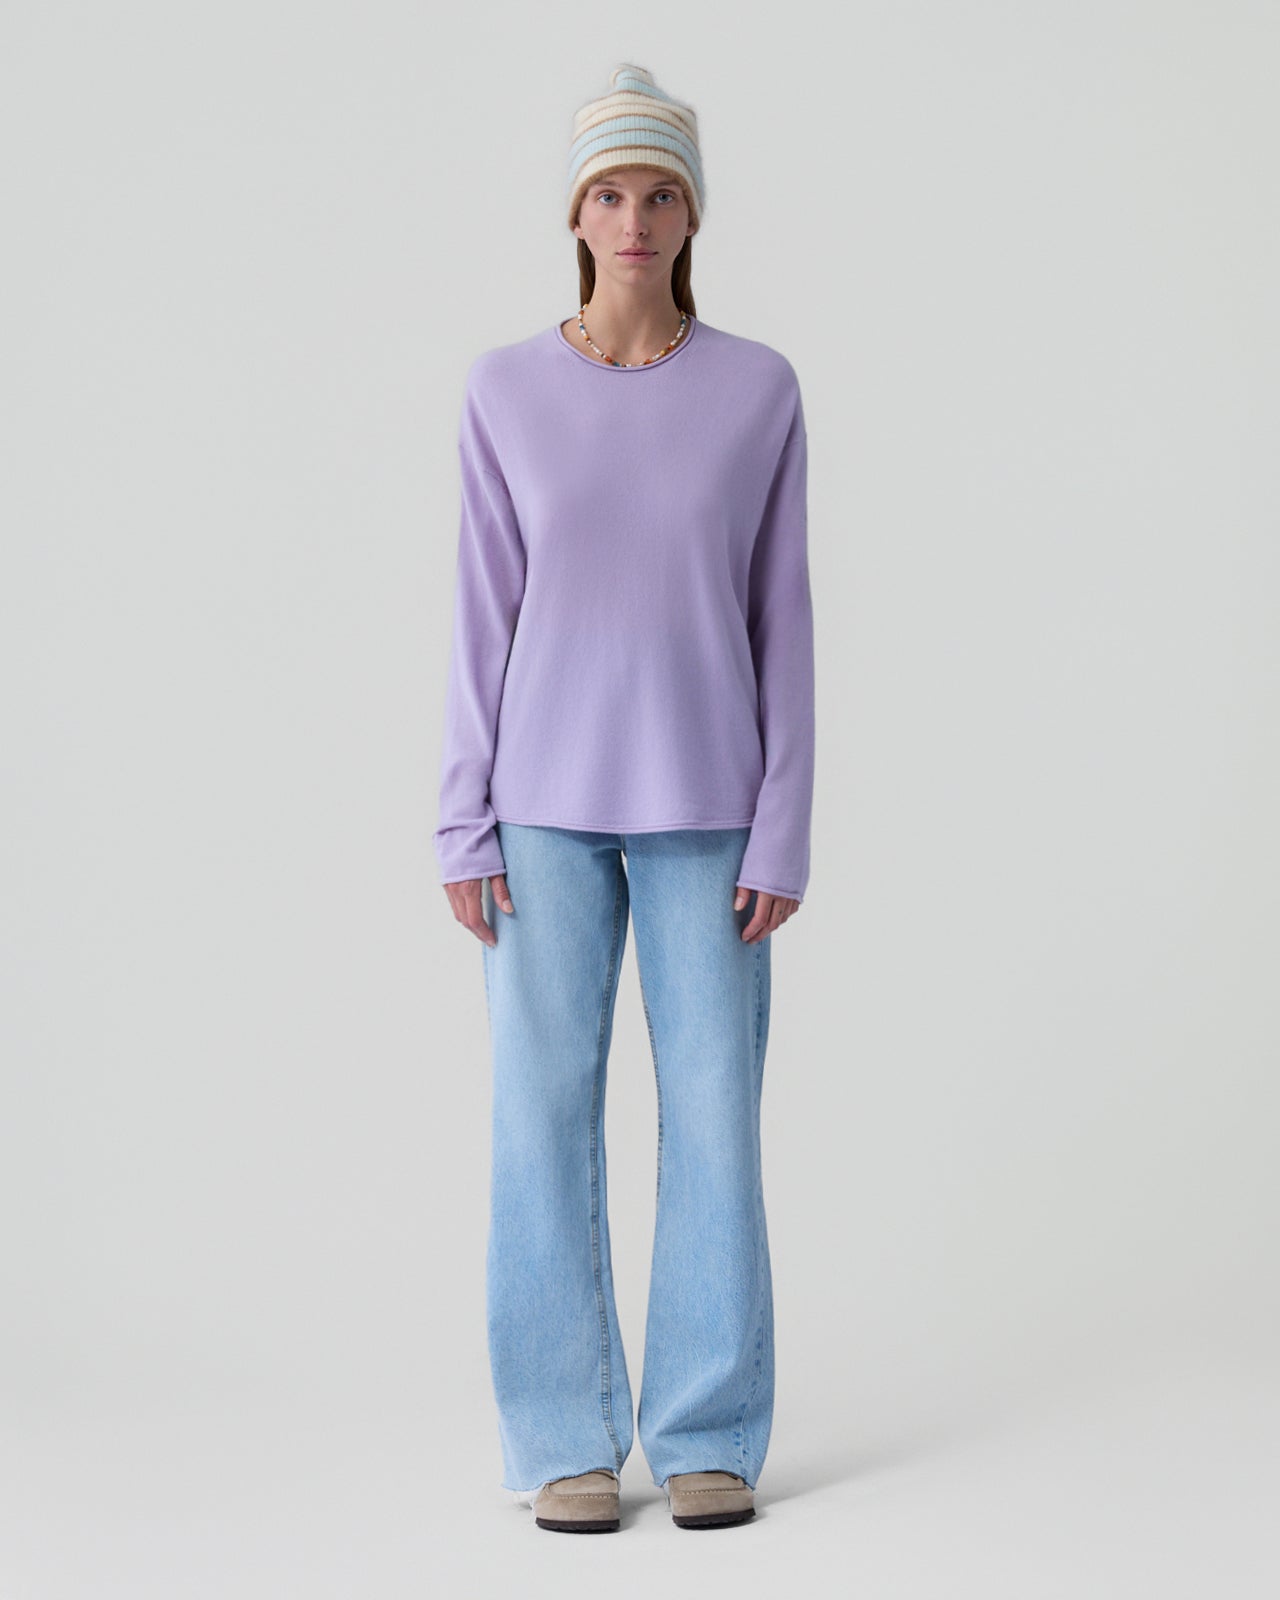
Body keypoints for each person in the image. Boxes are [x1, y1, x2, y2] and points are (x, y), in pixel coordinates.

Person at [431, 63, 815, 1533]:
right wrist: (461, 817)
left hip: (712, 806)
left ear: (693, 213)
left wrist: (785, 821)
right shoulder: (504, 391)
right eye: (609, 193)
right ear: (576, 216)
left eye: (660, 193)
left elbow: (785, 619)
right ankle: (563, 1437)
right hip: (537, 808)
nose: (635, 218)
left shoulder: (759, 390)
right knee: (539, 1121)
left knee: (714, 1120)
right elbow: (479, 617)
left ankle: (709, 1428)